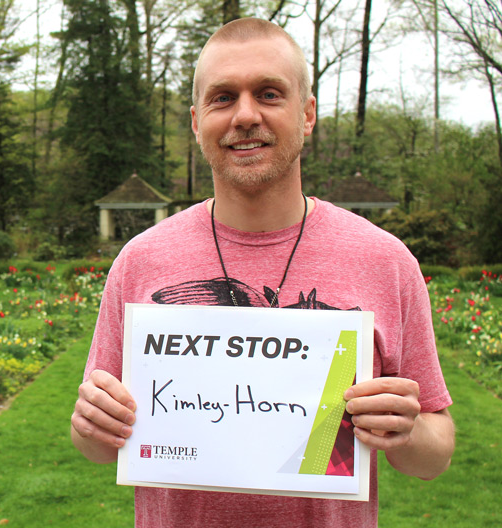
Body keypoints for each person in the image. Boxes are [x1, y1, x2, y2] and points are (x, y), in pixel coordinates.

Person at [70, 17, 455, 528]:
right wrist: (92, 424)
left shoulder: (384, 261)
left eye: (270, 94)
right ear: (195, 120)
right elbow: (97, 445)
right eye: (223, 97)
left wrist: (407, 431)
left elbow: (435, 453)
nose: (245, 115)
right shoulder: (141, 260)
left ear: (307, 114)